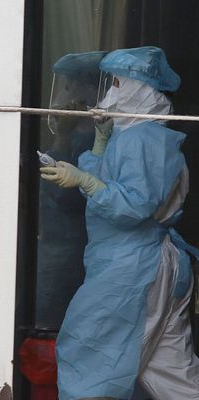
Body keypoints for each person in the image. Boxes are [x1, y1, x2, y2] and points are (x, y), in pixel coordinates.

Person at [40, 46, 199, 400]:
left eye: (115, 82)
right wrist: (98, 148)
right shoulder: (133, 135)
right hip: (146, 264)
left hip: (133, 268)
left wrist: (84, 179)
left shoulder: (146, 138)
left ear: (137, 88)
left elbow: (134, 205)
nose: (107, 90)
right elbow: (112, 187)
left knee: (90, 360)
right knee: (173, 374)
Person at [36, 51, 105, 331]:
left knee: (54, 324)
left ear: (89, 90)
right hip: (52, 245)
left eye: (68, 86)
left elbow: (67, 197)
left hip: (68, 253)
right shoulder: (78, 135)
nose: (62, 96)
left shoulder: (95, 140)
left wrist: (63, 136)